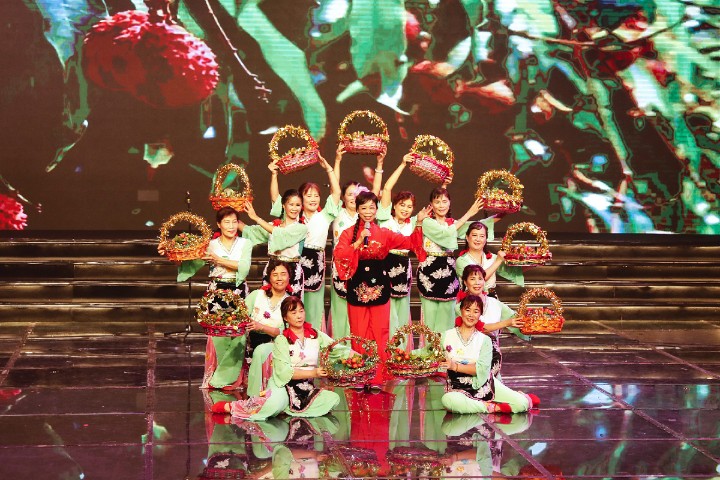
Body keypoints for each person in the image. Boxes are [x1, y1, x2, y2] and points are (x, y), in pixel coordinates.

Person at [334, 190, 426, 385]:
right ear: (357, 209)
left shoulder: (383, 233)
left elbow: (409, 242)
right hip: (357, 286)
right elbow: (339, 255)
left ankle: (378, 375)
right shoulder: (348, 233)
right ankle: (360, 373)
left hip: (380, 286)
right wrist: (358, 242)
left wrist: (418, 223)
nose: (368, 212)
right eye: (364, 208)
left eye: (372, 208)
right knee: (359, 330)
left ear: (377, 210)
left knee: (380, 330)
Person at [211, 297, 352, 420]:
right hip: (283, 385)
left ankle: (286, 407)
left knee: (333, 399)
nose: (299, 316)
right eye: (293, 313)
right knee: (272, 407)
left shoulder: (315, 335)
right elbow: (284, 373)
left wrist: (357, 357)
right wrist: (313, 373)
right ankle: (233, 406)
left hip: (305, 388)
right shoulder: (282, 339)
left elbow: (337, 349)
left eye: (301, 311)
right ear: (285, 317)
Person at [268, 147, 343, 332]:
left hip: (315, 263)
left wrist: (329, 168)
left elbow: (336, 193)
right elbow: (276, 200)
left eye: (316, 195)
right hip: (294, 263)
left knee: (314, 306)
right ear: (300, 199)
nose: (313, 199)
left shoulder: (324, 216)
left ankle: (314, 339)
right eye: (308, 195)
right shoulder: (294, 216)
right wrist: (274, 175)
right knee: (292, 304)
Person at [440, 294, 539, 414]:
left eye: (476, 311)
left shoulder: (485, 340)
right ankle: (491, 407)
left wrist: (454, 366)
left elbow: (481, 370)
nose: (471, 315)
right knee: (448, 400)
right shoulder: (446, 336)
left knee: (521, 404)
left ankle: (483, 405)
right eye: (468, 310)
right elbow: (428, 354)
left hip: (484, 383)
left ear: (480, 315)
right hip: (458, 388)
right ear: (461, 311)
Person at [328, 149, 385, 338]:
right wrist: (337, 160)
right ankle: (341, 346)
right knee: (340, 310)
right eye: (350, 193)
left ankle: (361, 347)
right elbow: (334, 188)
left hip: (363, 268)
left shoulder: (366, 214)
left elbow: (375, 192)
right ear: (343, 196)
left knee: (361, 312)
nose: (353, 196)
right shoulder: (337, 213)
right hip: (342, 266)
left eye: (357, 193)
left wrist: (379, 165)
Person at [376, 154, 432, 338]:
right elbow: (387, 187)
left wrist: (420, 221)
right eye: (402, 204)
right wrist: (402, 164)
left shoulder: (413, 223)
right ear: (394, 205)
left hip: (403, 268)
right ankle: (384, 346)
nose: (405, 209)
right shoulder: (384, 218)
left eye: (409, 206)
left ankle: (401, 348)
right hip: (384, 266)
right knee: (385, 310)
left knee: (401, 310)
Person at [200, 207, 254, 390]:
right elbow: (193, 262)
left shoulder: (245, 243)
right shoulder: (211, 244)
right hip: (216, 292)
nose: (231, 226)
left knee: (238, 334)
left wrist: (218, 260)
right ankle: (220, 375)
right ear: (219, 224)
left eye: (234, 222)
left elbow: (244, 267)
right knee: (219, 335)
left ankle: (231, 379)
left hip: (238, 291)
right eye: (226, 222)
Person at [418, 187, 484, 333]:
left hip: (448, 274)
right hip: (429, 274)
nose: (441, 205)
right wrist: (469, 213)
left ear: (449, 203)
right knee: (430, 320)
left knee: (447, 318)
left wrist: (499, 214)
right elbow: (445, 234)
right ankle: (430, 347)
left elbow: (476, 227)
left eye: (444, 201)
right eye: (437, 202)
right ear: (431, 204)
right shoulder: (427, 222)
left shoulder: (453, 223)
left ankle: (446, 347)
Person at [457, 264, 527, 378]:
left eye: (480, 279)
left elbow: (514, 317)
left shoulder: (494, 303)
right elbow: (480, 328)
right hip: (470, 355)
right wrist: (507, 323)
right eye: (472, 279)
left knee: (494, 384)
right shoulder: (460, 306)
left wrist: (536, 319)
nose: (477, 283)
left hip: (492, 352)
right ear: (465, 282)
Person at [241, 191, 308, 297]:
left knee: (290, 305)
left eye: (298, 205)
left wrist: (256, 218)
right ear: (283, 205)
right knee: (269, 302)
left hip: (291, 271)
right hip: (272, 269)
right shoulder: (274, 225)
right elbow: (251, 231)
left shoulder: (301, 228)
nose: (294, 208)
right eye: (291, 204)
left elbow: (281, 234)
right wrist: (232, 217)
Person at [455, 221, 524, 299]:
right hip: (471, 301)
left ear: (486, 239)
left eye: (482, 236)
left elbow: (513, 271)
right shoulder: (461, 260)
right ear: (467, 238)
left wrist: (530, 261)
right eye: (474, 235)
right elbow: (479, 278)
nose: (478, 239)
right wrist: (498, 261)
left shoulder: (492, 257)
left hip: (491, 299)